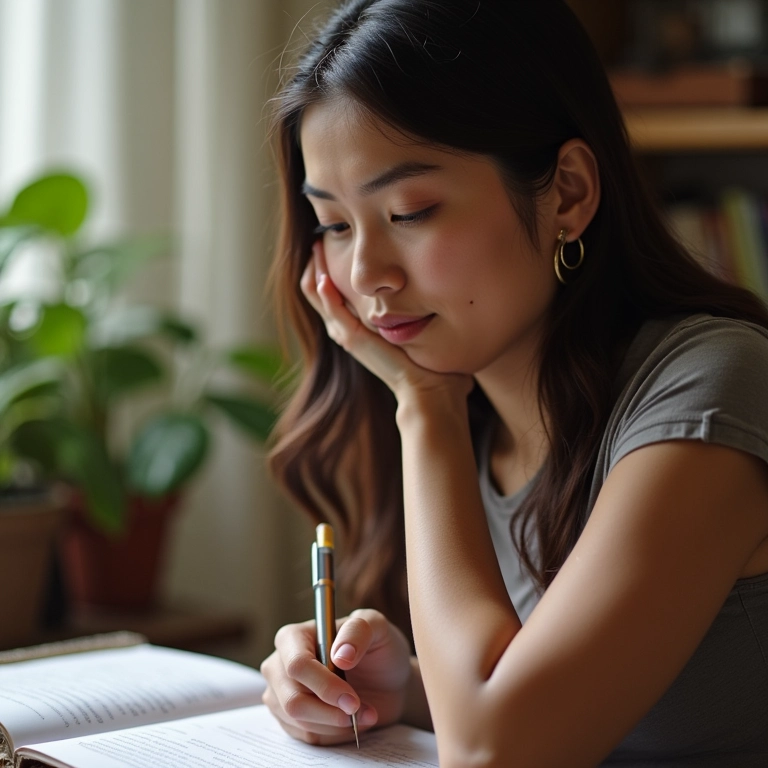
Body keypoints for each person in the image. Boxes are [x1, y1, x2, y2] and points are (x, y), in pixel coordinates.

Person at [259, 1, 768, 765]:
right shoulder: (482, 420)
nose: (366, 276)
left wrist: (425, 411)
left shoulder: (713, 388)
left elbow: (497, 750)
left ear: (566, 191)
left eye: (411, 211)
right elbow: (531, 694)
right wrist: (407, 687)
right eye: (334, 225)